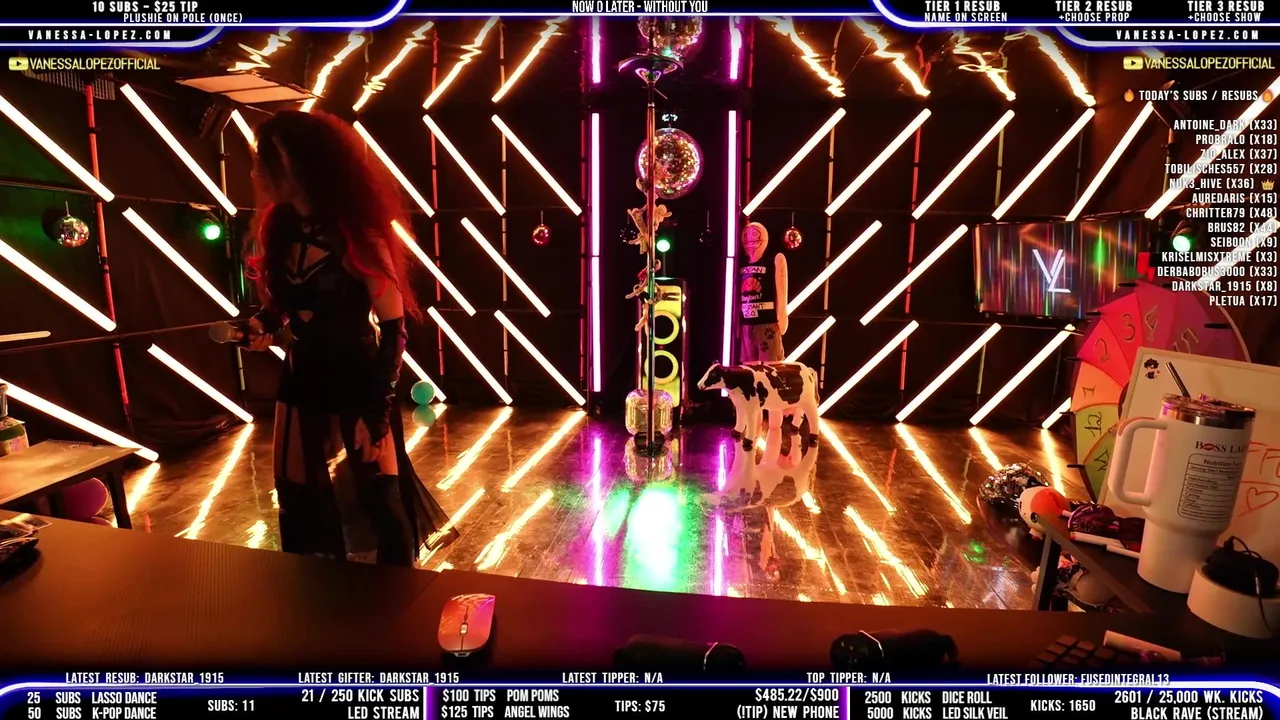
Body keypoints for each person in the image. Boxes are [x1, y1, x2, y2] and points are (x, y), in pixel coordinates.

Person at [243, 110, 455, 566]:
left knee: (379, 497)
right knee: (298, 496)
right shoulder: (278, 229)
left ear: (301, 164)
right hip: (301, 381)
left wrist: (376, 412)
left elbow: (394, 329)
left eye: (267, 161)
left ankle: (397, 597)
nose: (257, 173)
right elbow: (282, 304)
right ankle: (316, 596)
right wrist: (261, 326)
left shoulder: (358, 234)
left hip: (358, 381)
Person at [737, 222, 789, 362]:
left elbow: (781, 288)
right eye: (747, 238)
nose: (750, 242)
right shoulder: (740, 264)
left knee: (772, 366)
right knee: (749, 369)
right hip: (746, 324)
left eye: (754, 237)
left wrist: (782, 316)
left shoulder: (773, 260)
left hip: (767, 323)